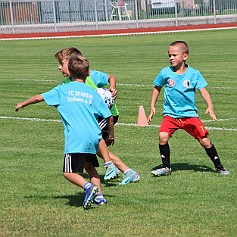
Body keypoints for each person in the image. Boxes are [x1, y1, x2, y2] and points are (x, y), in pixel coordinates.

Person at [15, 54, 114, 209]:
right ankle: (100, 198)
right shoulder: (91, 92)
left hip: (76, 138)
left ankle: (89, 188)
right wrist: (110, 135)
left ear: (70, 72)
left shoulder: (63, 90)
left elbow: (39, 97)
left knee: (69, 173)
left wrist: (23, 103)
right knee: (89, 167)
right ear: (87, 73)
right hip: (94, 136)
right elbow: (109, 116)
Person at [55, 47, 140, 185]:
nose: (59, 67)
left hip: (106, 116)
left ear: (72, 63)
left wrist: (112, 88)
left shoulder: (91, 75)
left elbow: (111, 77)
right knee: (98, 149)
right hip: (91, 119)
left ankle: (121, 169)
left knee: (97, 145)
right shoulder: (66, 84)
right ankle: (127, 171)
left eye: (62, 63)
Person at [148, 40, 230, 176]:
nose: (171, 58)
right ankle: (166, 167)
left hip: (189, 115)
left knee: (204, 141)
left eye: (174, 55)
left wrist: (210, 106)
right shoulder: (165, 72)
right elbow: (157, 88)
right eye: (169, 55)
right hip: (171, 115)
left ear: (184, 56)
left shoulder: (194, 74)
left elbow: (203, 90)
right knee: (162, 137)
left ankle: (219, 166)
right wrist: (152, 106)